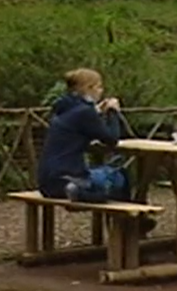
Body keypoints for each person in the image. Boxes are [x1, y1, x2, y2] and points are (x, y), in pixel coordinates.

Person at [37, 69, 156, 232]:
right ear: (89, 88)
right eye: (99, 87)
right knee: (120, 176)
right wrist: (113, 111)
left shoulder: (64, 108)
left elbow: (81, 123)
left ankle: (128, 224)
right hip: (68, 176)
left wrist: (98, 111)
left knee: (105, 174)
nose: (101, 91)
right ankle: (130, 226)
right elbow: (112, 139)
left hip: (47, 182)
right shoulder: (85, 112)